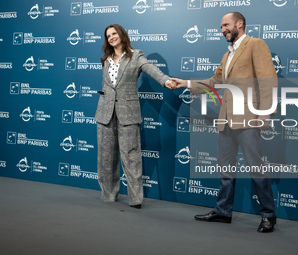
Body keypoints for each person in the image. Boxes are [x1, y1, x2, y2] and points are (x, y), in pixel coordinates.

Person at [171, 12, 278, 232]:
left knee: (255, 167)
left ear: (240, 24)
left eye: (226, 25)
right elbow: (213, 83)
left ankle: (268, 215)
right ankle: (223, 211)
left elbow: (268, 79)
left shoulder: (255, 44)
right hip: (226, 120)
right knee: (226, 168)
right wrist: (185, 83)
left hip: (248, 118)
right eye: (221, 27)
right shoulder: (227, 55)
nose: (223, 30)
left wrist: (266, 112)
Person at [95, 24, 176, 209]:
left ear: (122, 34)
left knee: (131, 156)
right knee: (106, 157)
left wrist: (165, 81)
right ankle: (108, 195)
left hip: (128, 113)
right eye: (108, 36)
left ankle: (135, 199)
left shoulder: (136, 55)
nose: (111, 38)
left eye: (114, 34)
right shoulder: (106, 59)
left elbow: (150, 68)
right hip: (105, 113)